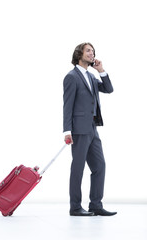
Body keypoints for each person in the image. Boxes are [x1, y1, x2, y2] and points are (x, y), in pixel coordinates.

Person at [63, 42, 117, 217]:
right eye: (88, 51)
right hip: (78, 130)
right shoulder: (72, 77)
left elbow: (109, 89)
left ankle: (95, 205)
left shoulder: (92, 77)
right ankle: (75, 207)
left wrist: (101, 70)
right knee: (78, 168)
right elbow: (67, 105)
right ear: (79, 54)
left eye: (93, 51)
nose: (91, 54)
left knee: (99, 165)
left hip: (93, 128)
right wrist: (67, 131)